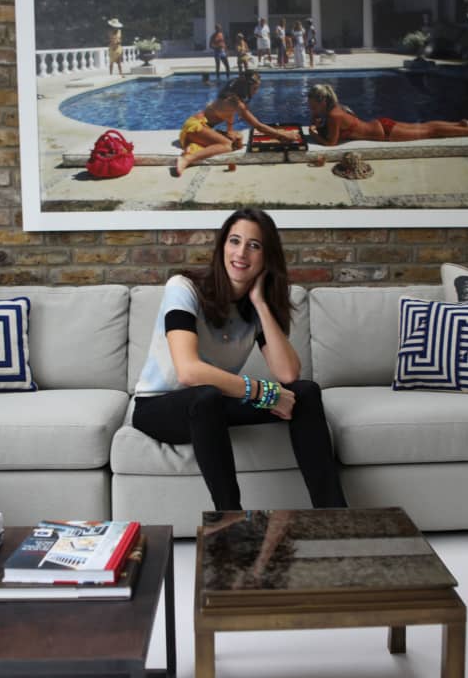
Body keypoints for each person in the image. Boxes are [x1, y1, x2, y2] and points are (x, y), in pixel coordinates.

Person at [132, 207, 348, 512]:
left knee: (306, 393)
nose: (241, 252)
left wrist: (260, 303)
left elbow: (288, 373)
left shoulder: (252, 309)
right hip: (158, 406)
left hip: (214, 403)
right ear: (222, 247)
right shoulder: (184, 288)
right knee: (205, 397)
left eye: (254, 245)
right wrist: (263, 392)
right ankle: (230, 522)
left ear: (266, 257)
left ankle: (334, 517)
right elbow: (188, 372)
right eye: (234, 241)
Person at [175, 71, 295, 175]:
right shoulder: (236, 103)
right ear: (246, 87)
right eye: (254, 88)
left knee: (237, 142)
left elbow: (228, 116)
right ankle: (187, 159)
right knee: (227, 145)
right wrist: (282, 135)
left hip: (195, 127)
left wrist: (230, 131)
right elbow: (258, 125)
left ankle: (193, 147)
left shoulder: (232, 97)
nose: (256, 91)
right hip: (194, 127)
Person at [306, 83, 468, 145]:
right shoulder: (337, 108)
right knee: (424, 126)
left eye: (313, 106)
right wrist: (317, 120)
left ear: (322, 102)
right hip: (382, 124)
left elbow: (331, 143)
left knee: (429, 132)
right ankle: (459, 125)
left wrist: (314, 134)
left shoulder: (333, 117)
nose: (311, 109)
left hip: (386, 133)